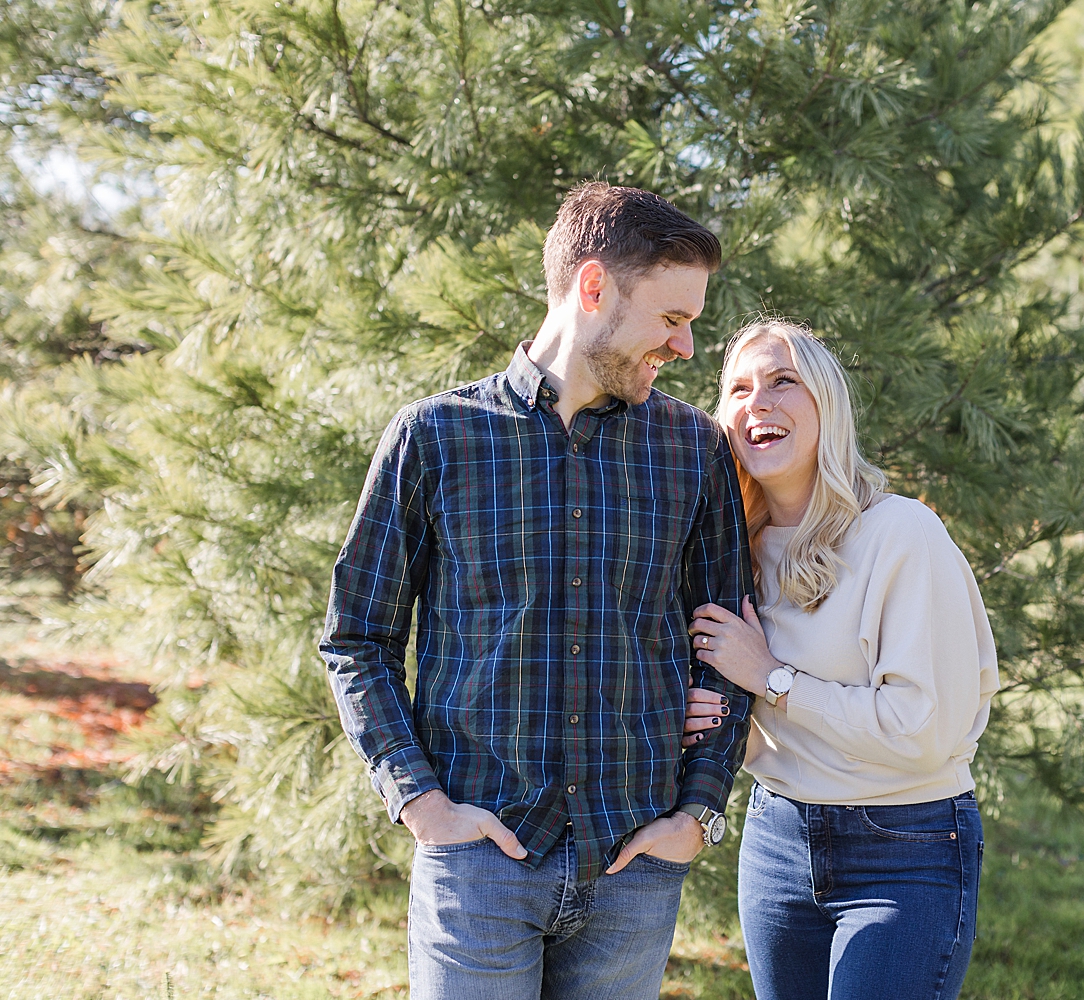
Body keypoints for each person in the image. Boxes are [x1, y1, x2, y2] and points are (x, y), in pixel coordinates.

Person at [319, 182, 755, 1000]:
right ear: (594, 289)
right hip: (479, 863)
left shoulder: (693, 448)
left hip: (636, 869)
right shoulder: (436, 436)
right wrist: (421, 804)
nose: (688, 347)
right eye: (671, 319)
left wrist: (694, 817)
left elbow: (729, 639)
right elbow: (356, 638)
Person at [683, 319, 1000, 1000]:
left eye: (782, 381)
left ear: (828, 405)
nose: (757, 403)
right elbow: (732, 704)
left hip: (905, 849)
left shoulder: (900, 535)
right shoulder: (732, 551)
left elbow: (922, 733)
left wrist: (770, 677)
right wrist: (701, 712)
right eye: (738, 389)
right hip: (776, 841)